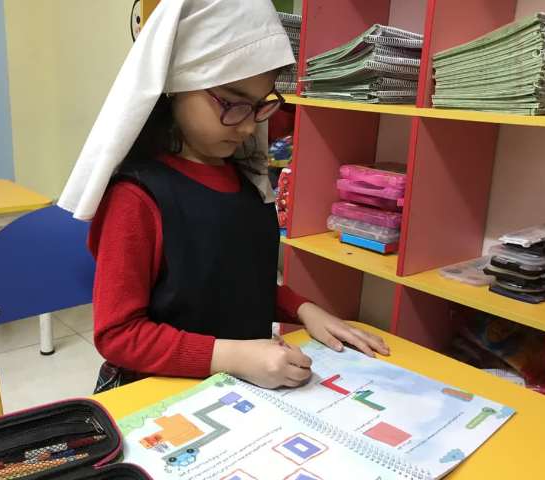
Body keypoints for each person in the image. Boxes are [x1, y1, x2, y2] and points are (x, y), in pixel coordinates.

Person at [58, 0, 389, 393]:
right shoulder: (136, 199)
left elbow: (233, 283)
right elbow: (119, 335)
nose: (248, 128)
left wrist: (303, 308)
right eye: (233, 103)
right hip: (155, 394)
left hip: (235, 393)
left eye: (260, 106)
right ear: (178, 84)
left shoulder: (244, 182)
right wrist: (233, 357)